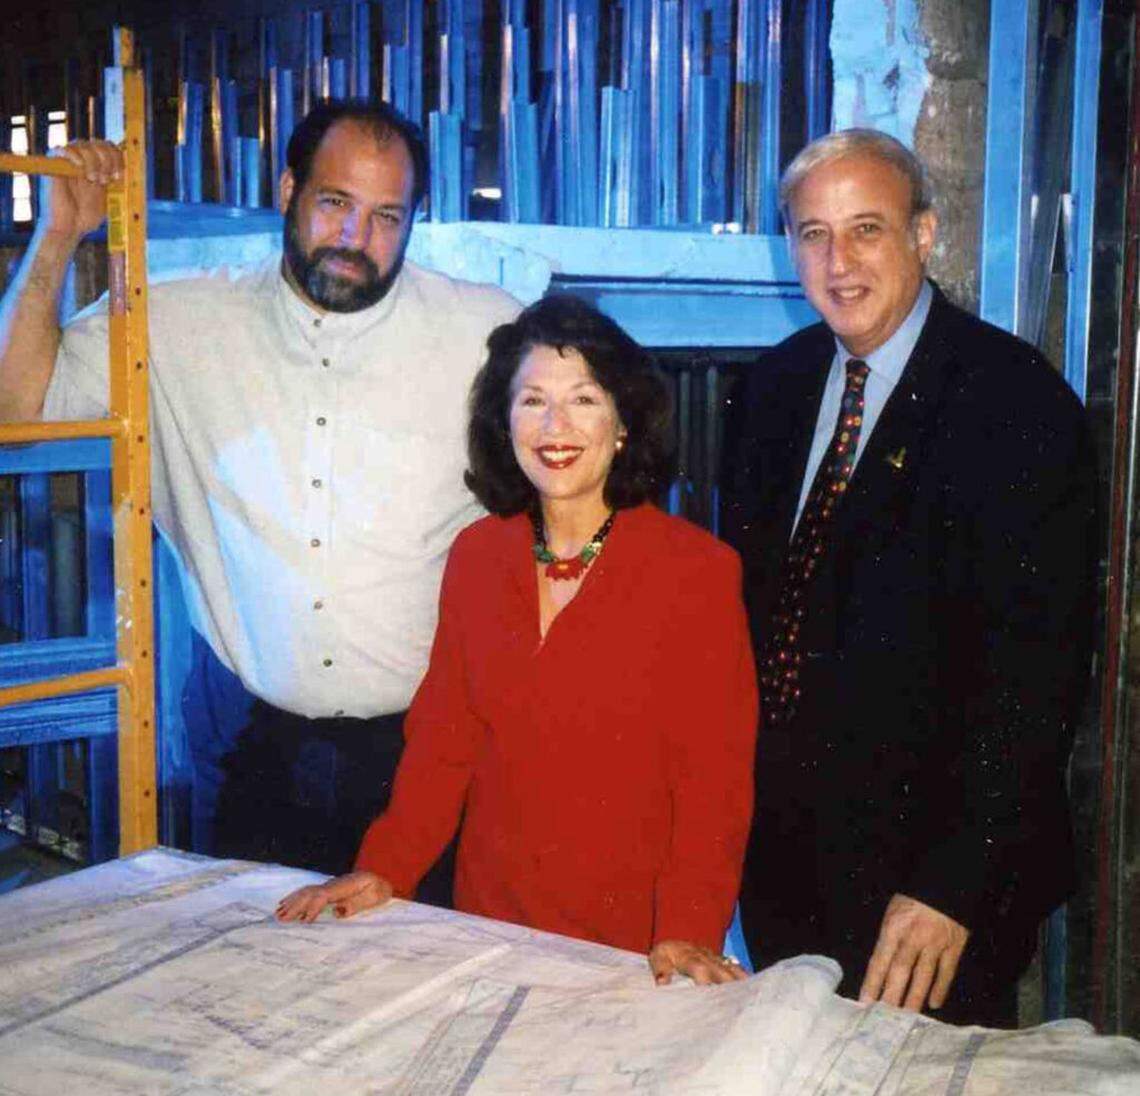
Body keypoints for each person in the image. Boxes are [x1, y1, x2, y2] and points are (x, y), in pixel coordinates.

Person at [0, 99, 519, 887]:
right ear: (286, 190)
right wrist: (58, 236)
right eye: (335, 203)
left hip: (431, 754)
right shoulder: (171, 321)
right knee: (252, 991)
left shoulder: (488, 332)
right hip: (250, 746)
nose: (355, 240)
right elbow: (15, 411)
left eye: (387, 216)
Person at [720, 129, 1097, 1026]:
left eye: (867, 230)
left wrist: (952, 885)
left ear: (924, 235)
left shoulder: (1018, 403)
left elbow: (1035, 681)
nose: (838, 263)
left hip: (929, 900)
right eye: (813, 234)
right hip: (785, 874)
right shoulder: (771, 390)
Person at [277, 295, 759, 985]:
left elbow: (715, 784)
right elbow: (444, 744)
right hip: (489, 927)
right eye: (532, 400)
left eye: (584, 399)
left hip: (637, 947)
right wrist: (386, 866)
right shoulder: (477, 556)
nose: (555, 425)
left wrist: (687, 927)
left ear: (624, 423)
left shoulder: (697, 572)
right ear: (504, 423)